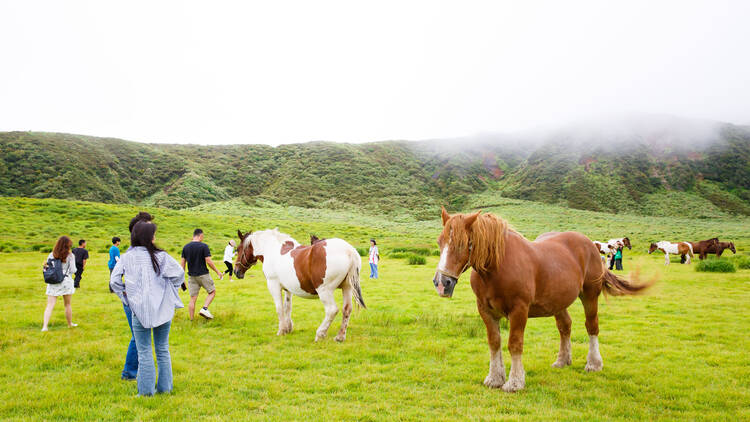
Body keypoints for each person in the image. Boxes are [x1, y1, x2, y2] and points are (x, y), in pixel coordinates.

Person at [110, 221, 184, 396]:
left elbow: (114, 281)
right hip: (163, 309)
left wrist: (126, 298)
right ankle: (165, 389)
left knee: (144, 351)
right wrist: (169, 289)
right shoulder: (162, 256)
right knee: (162, 349)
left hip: (139, 310)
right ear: (149, 237)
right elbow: (179, 274)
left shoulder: (127, 256)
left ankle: (145, 393)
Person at [113, 211, 153, 381]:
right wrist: (126, 296)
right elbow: (114, 281)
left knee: (139, 336)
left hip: (140, 300)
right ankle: (129, 372)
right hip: (135, 301)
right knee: (138, 337)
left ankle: (134, 371)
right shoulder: (132, 254)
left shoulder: (140, 251)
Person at [181, 229, 223, 320]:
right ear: (200, 236)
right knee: (212, 292)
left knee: (193, 298)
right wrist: (218, 272)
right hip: (203, 275)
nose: (202, 239)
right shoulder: (204, 246)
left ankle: (191, 320)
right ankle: (204, 308)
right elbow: (208, 261)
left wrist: (181, 278)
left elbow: (183, 264)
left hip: (191, 276)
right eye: (202, 237)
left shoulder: (185, 247)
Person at [41, 236, 77, 331]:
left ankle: (45, 326)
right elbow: (73, 270)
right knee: (67, 304)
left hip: (54, 281)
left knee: (50, 305)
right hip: (66, 281)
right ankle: (69, 324)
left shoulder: (51, 254)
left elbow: (48, 267)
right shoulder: (70, 256)